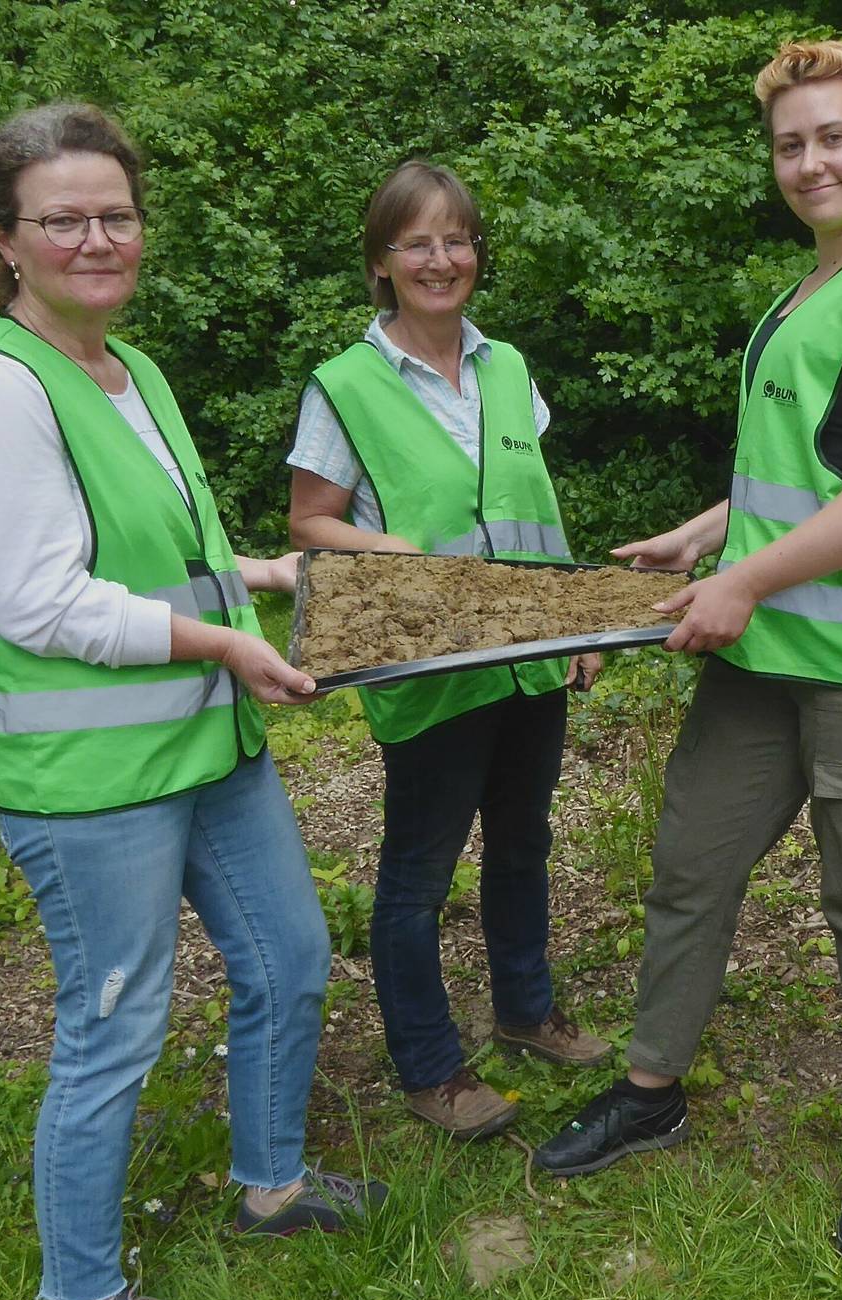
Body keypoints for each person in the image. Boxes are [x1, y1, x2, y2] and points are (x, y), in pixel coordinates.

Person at [0, 102, 382, 1300]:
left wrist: (266, 579)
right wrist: (228, 637)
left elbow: (167, 548)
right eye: (63, 218)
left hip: (206, 742)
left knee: (291, 956)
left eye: (115, 214)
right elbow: (42, 604)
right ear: (7, 238)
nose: (97, 238)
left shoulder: (131, 369)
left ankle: (270, 1181)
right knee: (113, 1024)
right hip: (91, 781)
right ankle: (84, 1297)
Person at [533, 40, 842, 1260]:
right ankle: (650, 1088)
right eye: (791, 143)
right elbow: (812, 477)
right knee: (691, 863)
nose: (811, 161)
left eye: (834, 135)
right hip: (765, 657)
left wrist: (742, 579)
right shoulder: (802, 297)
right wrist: (706, 533)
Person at [287, 160, 612, 1141]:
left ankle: (525, 1010)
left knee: (523, 842)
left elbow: (533, 505)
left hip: (526, 657)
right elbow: (311, 521)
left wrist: (575, 623)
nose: (441, 259)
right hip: (430, 670)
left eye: (458, 239)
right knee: (418, 875)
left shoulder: (506, 367)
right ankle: (429, 1064)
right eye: (417, 242)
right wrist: (385, 546)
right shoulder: (345, 384)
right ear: (382, 263)